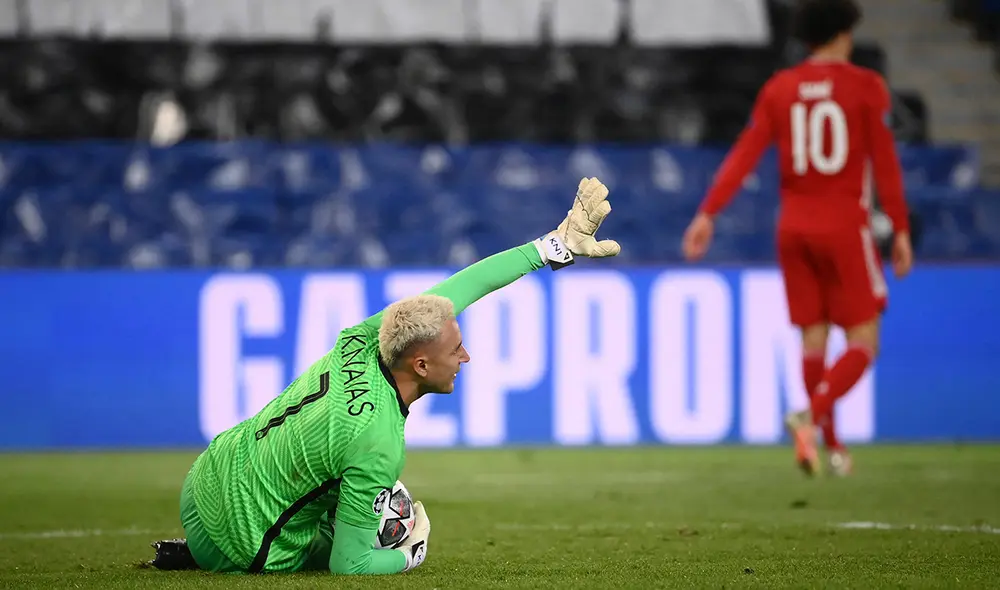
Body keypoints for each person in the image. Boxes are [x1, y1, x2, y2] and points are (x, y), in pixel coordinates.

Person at [149, 178, 621, 574]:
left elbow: (468, 285)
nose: (467, 355)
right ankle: (218, 553)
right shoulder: (378, 443)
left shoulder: (363, 337)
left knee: (339, 485)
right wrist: (406, 555)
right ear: (420, 365)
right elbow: (348, 568)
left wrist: (552, 246)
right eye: (456, 349)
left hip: (202, 482)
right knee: (357, 529)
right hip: (239, 547)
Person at [681, 0, 913, 477]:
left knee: (813, 337)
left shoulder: (780, 88)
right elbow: (884, 163)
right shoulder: (866, 87)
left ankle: (832, 445)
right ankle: (813, 414)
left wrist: (708, 213)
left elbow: (745, 154)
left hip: (794, 227)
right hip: (845, 224)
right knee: (865, 340)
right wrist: (901, 226)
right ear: (845, 33)